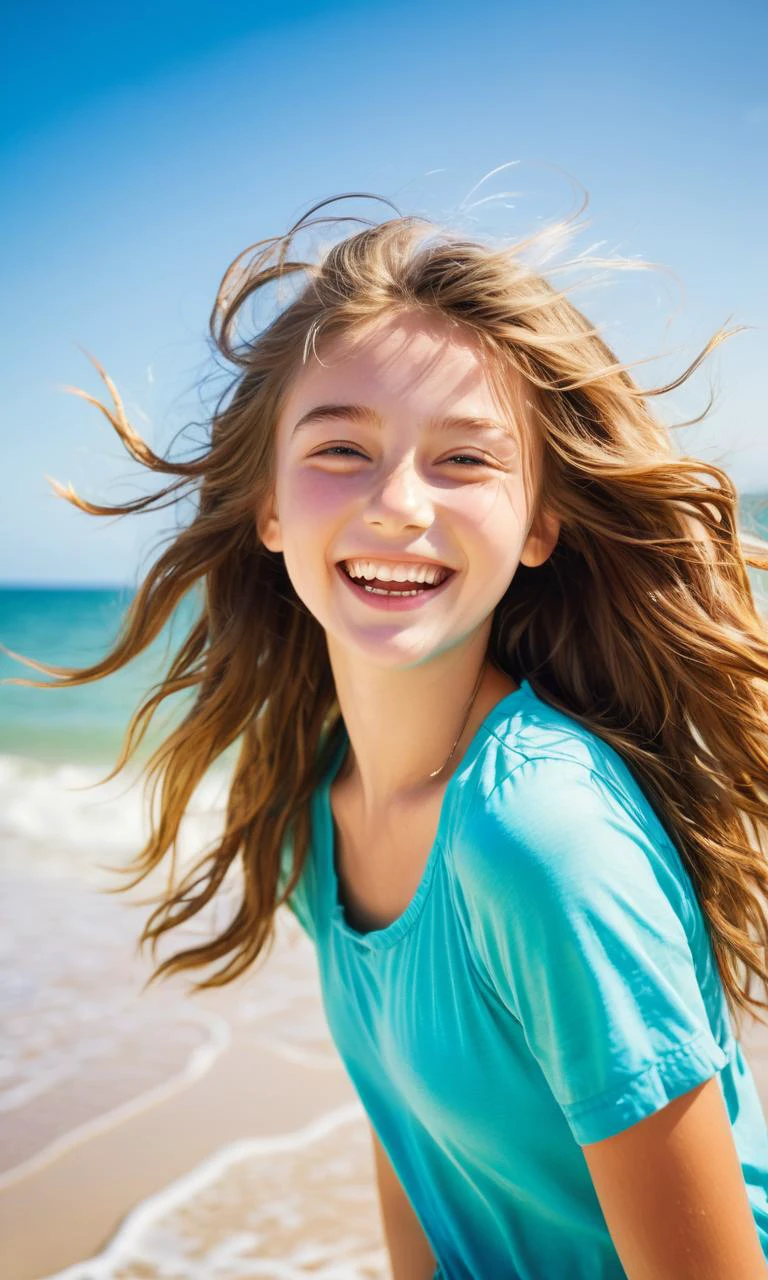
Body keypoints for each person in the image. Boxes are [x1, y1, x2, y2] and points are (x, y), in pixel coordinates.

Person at [9, 190, 768, 1278]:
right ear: (268, 506)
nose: (400, 503)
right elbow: (413, 1146)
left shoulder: (541, 836)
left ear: (541, 520)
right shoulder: (313, 808)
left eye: (465, 458)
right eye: (340, 449)